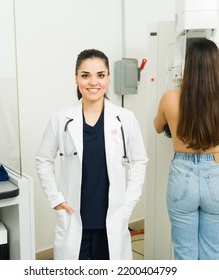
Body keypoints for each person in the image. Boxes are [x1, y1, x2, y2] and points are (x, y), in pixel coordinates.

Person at [35, 49, 148, 260]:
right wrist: (55, 198)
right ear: (76, 78)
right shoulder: (61, 119)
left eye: (100, 75)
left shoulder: (125, 119)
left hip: (111, 219)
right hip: (74, 218)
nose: (93, 82)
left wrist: (129, 202)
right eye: (85, 75)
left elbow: (139, 161)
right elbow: (43, 159)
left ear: (108, 78)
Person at [153, 38, 219, 260]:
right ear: (217, 67)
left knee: (184, 253)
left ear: (188, 66)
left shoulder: (169, 98)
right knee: (213, 254)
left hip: (182, 177)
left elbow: (157, 126)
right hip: (216, 175)